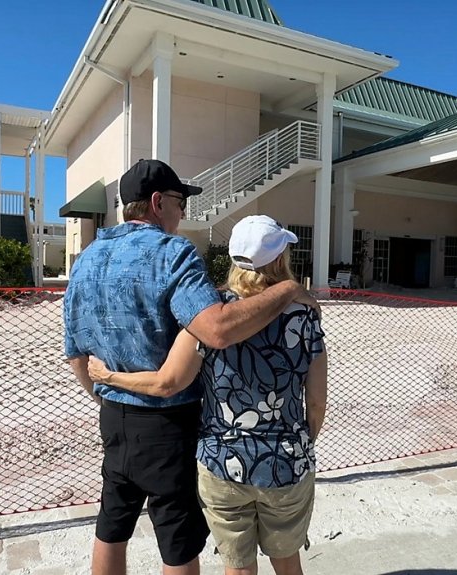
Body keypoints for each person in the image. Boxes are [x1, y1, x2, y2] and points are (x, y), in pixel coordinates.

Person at [63, 161, 318, 575]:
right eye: (180, 202)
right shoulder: (172, 253)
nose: (183, 213)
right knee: (177, 537)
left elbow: (76, 353)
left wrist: (105, 392)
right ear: (157, 202)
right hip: (168, 421)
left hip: (113, 416)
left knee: (112, 523)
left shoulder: (88, 258)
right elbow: (216, 329)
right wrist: (290, 288)